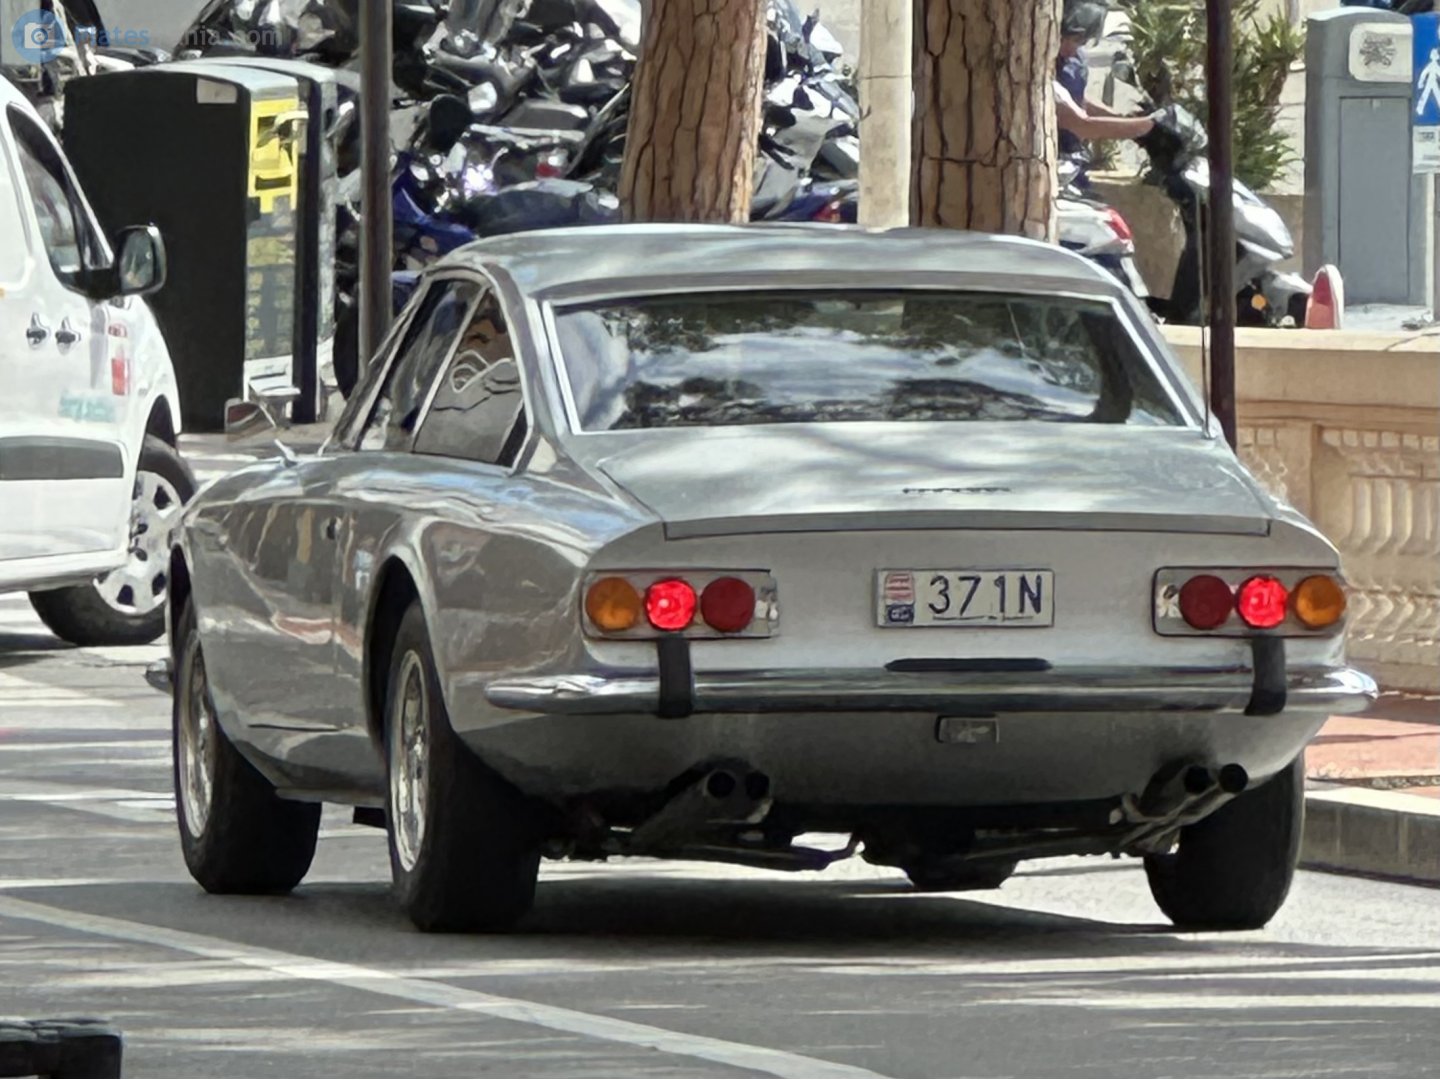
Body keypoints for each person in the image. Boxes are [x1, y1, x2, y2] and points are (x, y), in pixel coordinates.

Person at [1055, 2, 1157, 159]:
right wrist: (1149, 126)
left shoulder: (1075, 60)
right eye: (1071, 39)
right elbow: (1081, 125)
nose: (1072, 48)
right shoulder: (1041, 68)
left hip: (1074, 157)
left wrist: (1120, 119)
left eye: (1082, 42)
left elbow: (1077, 100)